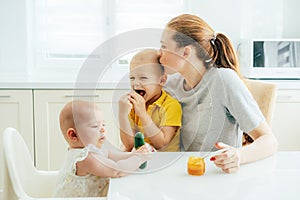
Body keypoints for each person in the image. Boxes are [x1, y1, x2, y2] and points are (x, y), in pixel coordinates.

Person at [158, 14, 278, 173]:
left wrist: (239, 156)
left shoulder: (224, 80)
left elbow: (269, 140)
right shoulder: (170, 86)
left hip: (217, 176)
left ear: (185, 52)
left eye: (164, 47)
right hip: (182, 175)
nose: (159, 53)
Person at [53, 100, 150, 198]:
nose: (103, 129)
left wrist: (134, 154)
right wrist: (138, 158)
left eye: (103, 125)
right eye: (95, 126)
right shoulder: (84, 158)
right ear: (73, 135)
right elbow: (116, 170)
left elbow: (111, 155)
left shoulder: (90, 150)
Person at [119, 49, 182, 152]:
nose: (136, 83)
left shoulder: (171, 106)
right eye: (132, 78)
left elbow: (161, 144)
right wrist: (122, 114)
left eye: (143, 78)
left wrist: (142, 114)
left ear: (162, 80)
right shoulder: (133, 105)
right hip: (142, 157)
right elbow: (129, 144)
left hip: (164, 159)